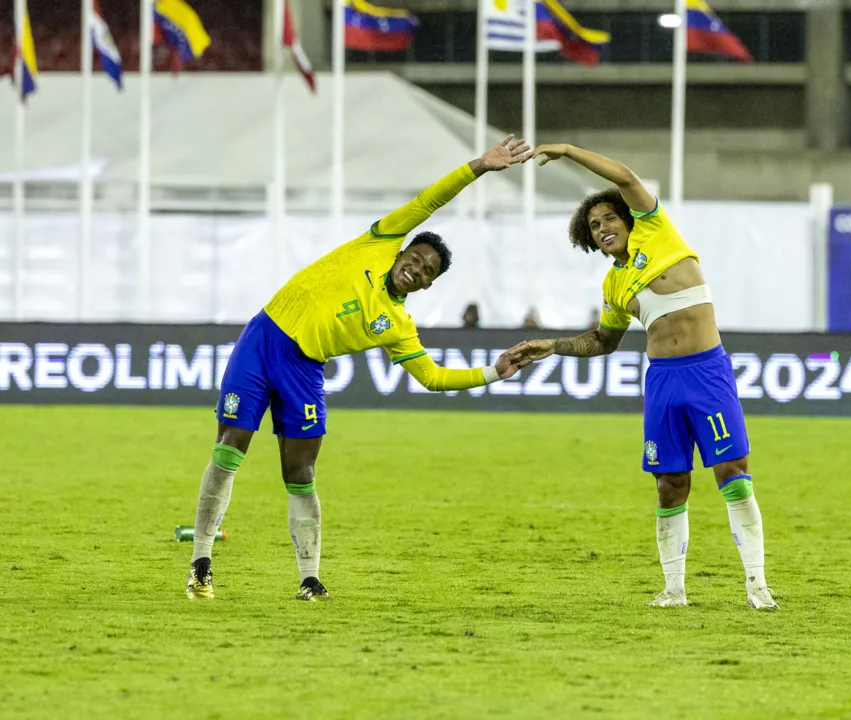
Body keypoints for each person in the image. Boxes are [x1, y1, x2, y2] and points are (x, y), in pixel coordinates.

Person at [185, 135, 531, 601]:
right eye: (418, 258)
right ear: (405, 249)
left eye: (428, 271)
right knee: (230, 449)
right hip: (263, 339)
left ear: (428, 286)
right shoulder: (378, 241)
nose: (418, 268)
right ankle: (201, 563)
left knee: (300, 473)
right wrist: (479, 166)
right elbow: (430, 200)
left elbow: (432, 377)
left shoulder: (399, 325)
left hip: (305, 369)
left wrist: (492, 372)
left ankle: (309, 577)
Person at [514, 143, 777, 610]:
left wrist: (570, 152)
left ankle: (757, 584)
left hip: (706, 372)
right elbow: (603, 341)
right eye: (594, 227)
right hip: (662, 383)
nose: (603, 228)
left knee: (733, 475)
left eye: (609, 218)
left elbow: (626, 176)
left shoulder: (658, 233)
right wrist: (551, 346)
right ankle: (674, 590)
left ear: (629, 217)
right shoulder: (613, 285)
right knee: (669, 484)